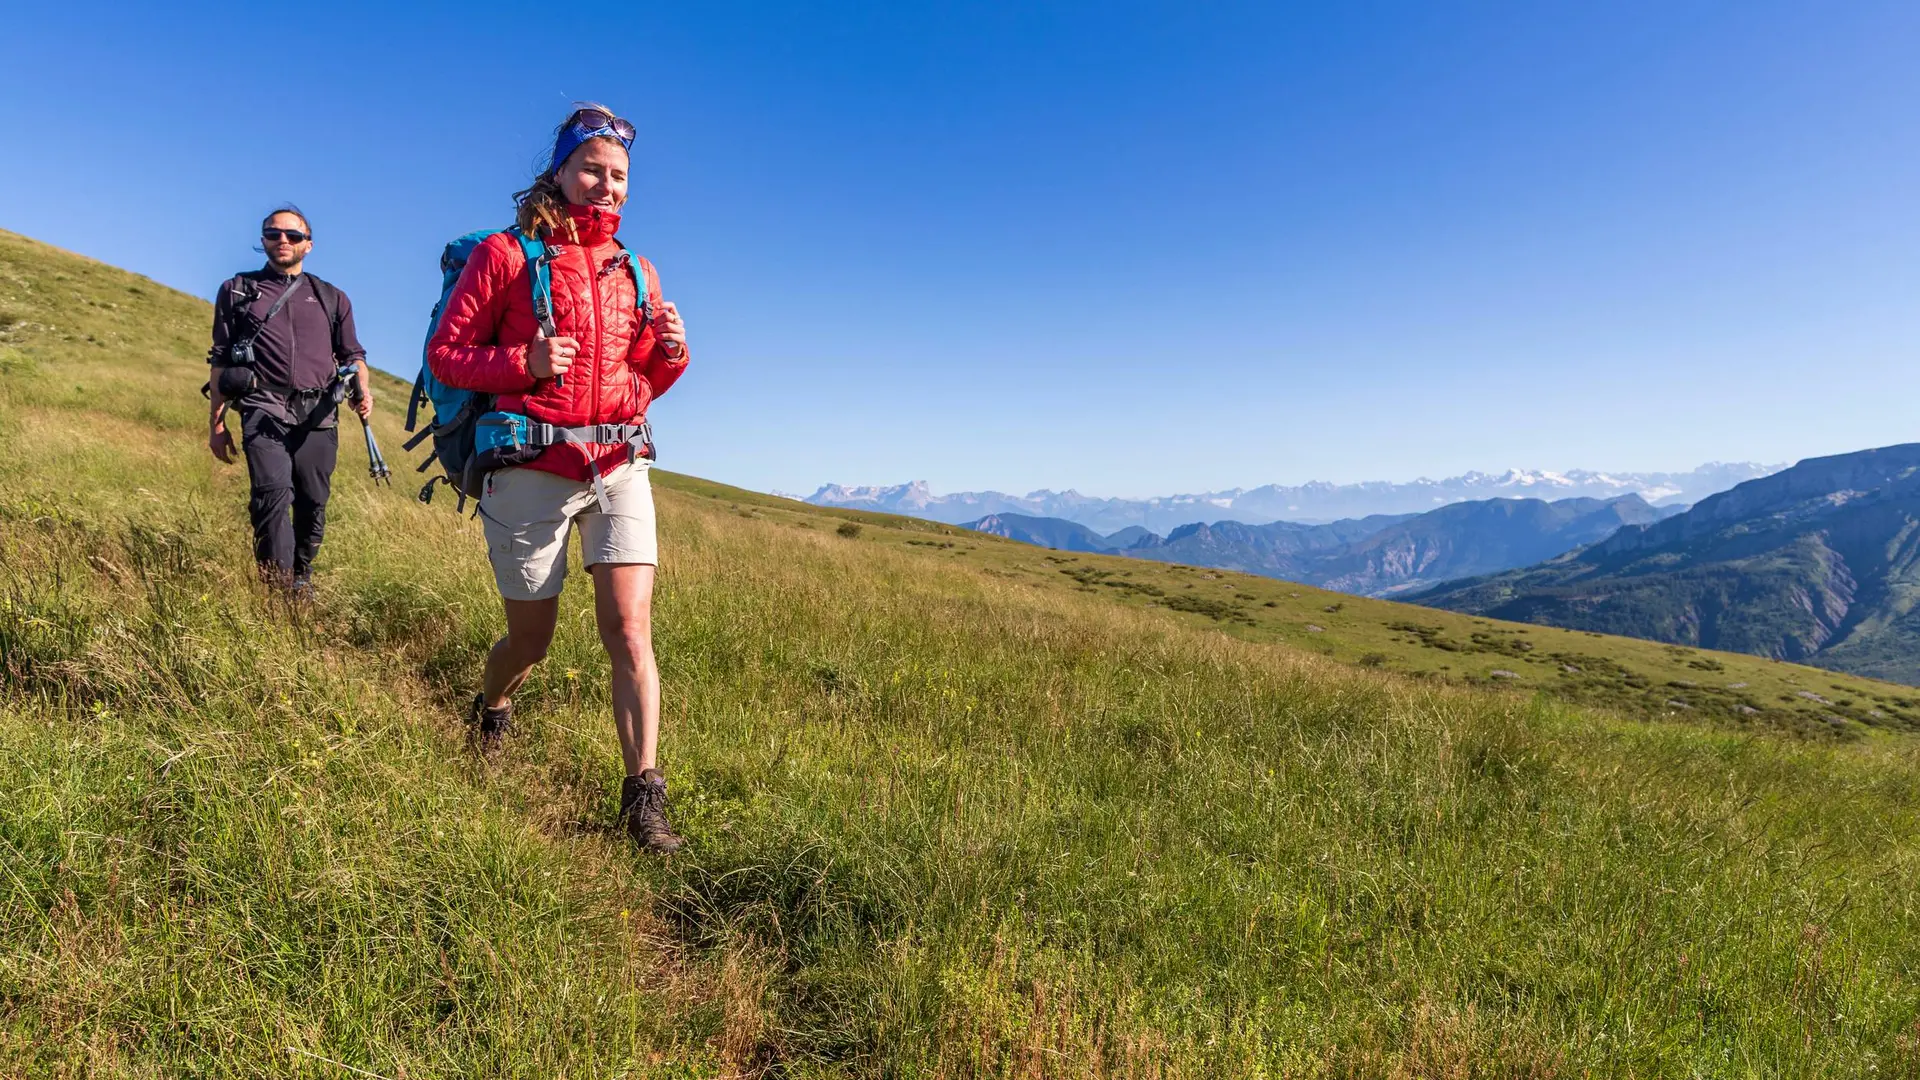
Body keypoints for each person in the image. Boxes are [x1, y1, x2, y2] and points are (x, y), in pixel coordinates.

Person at [427, 106, 691, 854]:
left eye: (619, 177)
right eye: (592, 170)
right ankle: (491, 706)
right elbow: (450, 355)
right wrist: (525, 366)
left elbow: (634, 383)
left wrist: (669, 355)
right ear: (561, 171)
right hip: (529, 467)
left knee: (630, 630)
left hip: (617, 468)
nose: (606, 187)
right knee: (531, 639)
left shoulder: (636, 272)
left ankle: (643, 795)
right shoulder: (507, 256)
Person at [207, 206, 373, 595]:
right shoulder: (237, 290)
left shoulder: (332, 297)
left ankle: (302, 574)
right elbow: (219, 358)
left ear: (308, 245)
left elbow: (354, 356)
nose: (282, 241)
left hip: (318, 414)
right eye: (273, 234)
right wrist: (216, 425)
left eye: (292, 236)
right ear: (263, 240)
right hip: (262, 409)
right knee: (271, 497)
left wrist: (363, 392)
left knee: (313, 502)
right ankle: (278, 591)